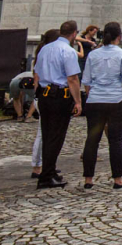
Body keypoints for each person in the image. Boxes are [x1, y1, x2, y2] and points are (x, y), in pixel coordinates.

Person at [79, 21, 122, 189]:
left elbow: (86, 80)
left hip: (95, 100)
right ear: (119, 37)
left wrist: (92, 95)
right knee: (116, 140)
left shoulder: (93, 55)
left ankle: (88, 179)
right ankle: (117, 179)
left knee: (92, 139)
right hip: (116, 100)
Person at [34, 22, 83, 189]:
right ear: (74, 34)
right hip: (60, 95)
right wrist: (78, 101)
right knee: (56, 136)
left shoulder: (45, 49)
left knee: (48, 135)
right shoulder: (68, 51)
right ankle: (46, 175)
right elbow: (72, 78)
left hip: (44, 94)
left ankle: (49, 170)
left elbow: (38, 72)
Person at [28, 29, 59, 181]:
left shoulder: (46, 54)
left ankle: (47, 164)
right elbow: (37, 79)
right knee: (42, 133)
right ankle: (37, 165)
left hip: (47, 96)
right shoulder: (44, 55)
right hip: (45, 96)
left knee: (50, 133)